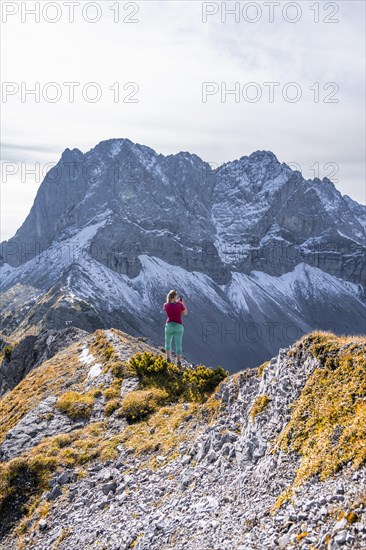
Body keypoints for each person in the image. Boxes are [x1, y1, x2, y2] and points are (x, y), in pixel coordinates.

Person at [163, 289, 188, 367]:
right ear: (174, 296)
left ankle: (168, 359)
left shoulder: (165, 305)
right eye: (176, 295)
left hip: (169, 325)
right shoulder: (180, 304)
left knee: (168, 342)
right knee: (178, 344)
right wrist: (182, 303)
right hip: (178, 326)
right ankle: (179, 362)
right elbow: (185, 313)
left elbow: (171, 308)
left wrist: (176, 302)